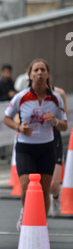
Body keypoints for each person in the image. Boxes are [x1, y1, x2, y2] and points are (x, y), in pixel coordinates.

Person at [3, 58, 68, 230]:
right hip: (26, 147)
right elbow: (6, 118)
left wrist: (55, 122)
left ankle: (41, 223)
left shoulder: (56, 99)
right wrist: (18, 127)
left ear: (48, 74)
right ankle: (25, 212)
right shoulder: (21, 97)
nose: (39, 73)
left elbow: (65, 125)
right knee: (26, 186)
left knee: (44, 190)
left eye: (42, 70)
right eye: (36, 70)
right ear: (30, 75)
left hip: (47, 147)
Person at [49, 85, 69, 216]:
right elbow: (16, 116)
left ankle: (55, 197)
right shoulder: (25, 95)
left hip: (53, 140)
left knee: (53, 185)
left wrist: (55, 120)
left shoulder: (58, 94)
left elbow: (64, 123)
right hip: (32, 142)